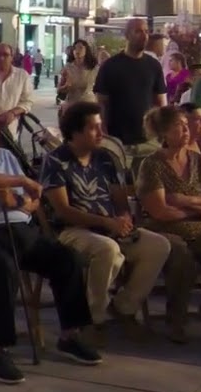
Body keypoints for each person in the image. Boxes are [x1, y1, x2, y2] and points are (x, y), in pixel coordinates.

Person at [0, 103, 101, 383]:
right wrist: (18, 181)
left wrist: (19, 200)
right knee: (1, 267)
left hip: (18, 230)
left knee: (67, 258)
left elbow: (31, 201)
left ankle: (69, 335)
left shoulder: (4, 155)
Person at [41, 101, 169, 338]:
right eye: (94, 128)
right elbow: (63, 210)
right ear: (76, 132)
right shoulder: (57, 161)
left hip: (109, 227)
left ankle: (124, 307)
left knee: (158, 246)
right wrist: (106, 223)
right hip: (72, 230)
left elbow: (120, 198)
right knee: (108, 249)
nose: (101, 133)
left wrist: (123, 217)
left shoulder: (105, 158)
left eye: (101, 127)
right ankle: (92, 317)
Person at [136, 106, 201, 342]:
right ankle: (176, 320)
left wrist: (186, 200)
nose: (185, 129)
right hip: (165, 232)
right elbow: (160, 211)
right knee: (183, 257)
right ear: (164, 133)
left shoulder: (199, 161)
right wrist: (199, 209)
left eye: (186, 124)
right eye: (178, 126)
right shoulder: (152, 165)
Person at [94, 19, 167, 160]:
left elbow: (161, 102)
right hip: (119, 141)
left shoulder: (153, 66)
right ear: (127, 35)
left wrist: (162, 131)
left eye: (146, 31)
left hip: (149, 141)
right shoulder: (110, 66)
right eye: (138, 31)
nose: (144, 35)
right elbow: (101, 104)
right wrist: (103, 133)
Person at [58, 39, 98, 106]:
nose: (77, 51)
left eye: (80, 47)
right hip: (72, 104)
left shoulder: (93, 68)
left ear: (86, 50)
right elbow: (59, 89)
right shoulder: (67, 67)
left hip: (89, 103)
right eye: (75, 48)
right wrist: (65, 87)